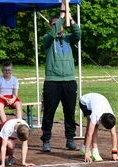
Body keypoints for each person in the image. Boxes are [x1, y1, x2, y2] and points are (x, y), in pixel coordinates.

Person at [40, 1, 81, 152]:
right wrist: (62, 15)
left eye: (61, 23)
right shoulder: (47, 39)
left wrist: (71, 19)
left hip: (69, 81)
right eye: (56, 24)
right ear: (51, 26)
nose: (60, 25)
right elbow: (53, 32)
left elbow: (78, 33)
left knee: (69, 112)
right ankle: (46, 140)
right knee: (49, 112)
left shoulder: (68, 38)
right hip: (52, 82)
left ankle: (70, 140)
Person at [79, 93, 118, 162]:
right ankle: (94, 151)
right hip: (84, 102)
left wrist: (114, 153)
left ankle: (84, 148)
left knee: (94, 127)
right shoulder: (95, 115)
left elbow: (113, 134)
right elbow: (89, 135)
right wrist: (87, 154)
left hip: (97, 101)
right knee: (93, 128)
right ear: (100, 119)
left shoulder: (111, 116)